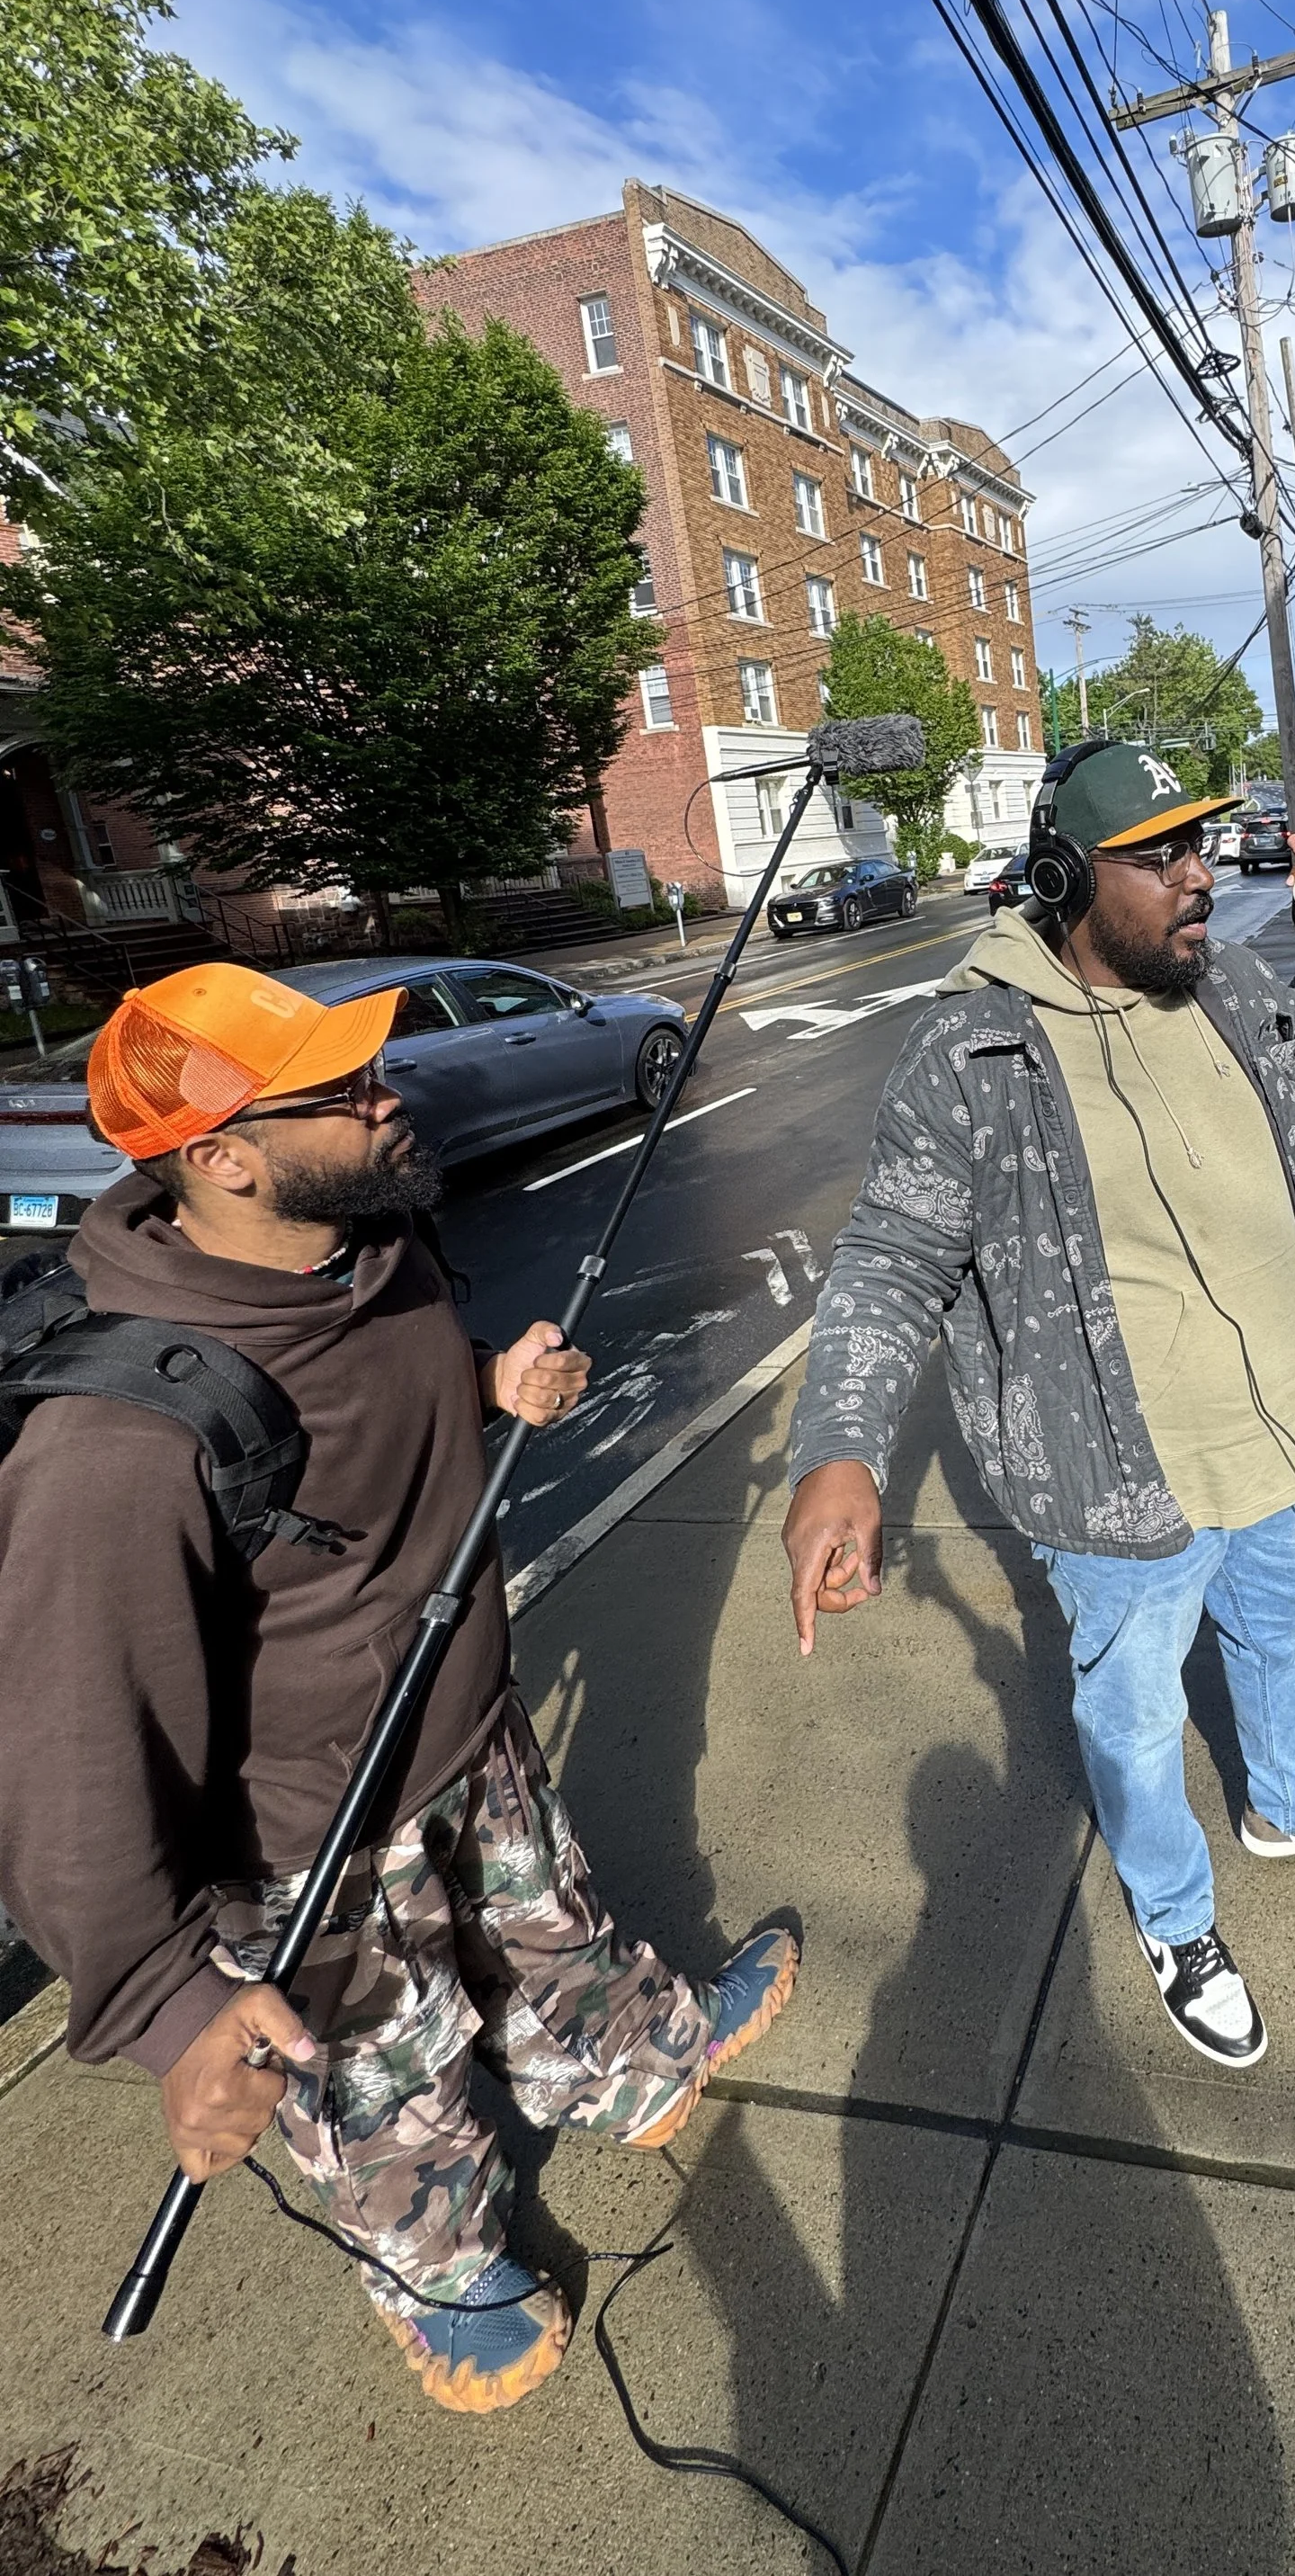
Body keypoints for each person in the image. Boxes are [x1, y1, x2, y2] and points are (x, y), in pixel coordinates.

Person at [0, 964, 797, 2414]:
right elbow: (65, 1776)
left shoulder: (368, 1239)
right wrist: (173, 2011)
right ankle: (436, 2260)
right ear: (222, 1158)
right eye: (344, 1089)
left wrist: (494, 1384)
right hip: (312, 1834)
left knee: (556, 1934)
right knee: (384, 2079)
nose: (391, 1094)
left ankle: (628, 2061)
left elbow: (379, 1401)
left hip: (469, 1723)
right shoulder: (110, 1444)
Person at [782, 741, 1295, 2069]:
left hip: (1276, 1431)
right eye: (1161, 856)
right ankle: (1176, 1917)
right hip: (1116, 1472)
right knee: (1133, 1723)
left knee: (1287, 1629)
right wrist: (840, 1447)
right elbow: (891, 1258)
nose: (1201, 877)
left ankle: (1290, 1802)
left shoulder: (1223, 980)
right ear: (1066, 878)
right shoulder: (972, 1049)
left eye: (1201, 846)